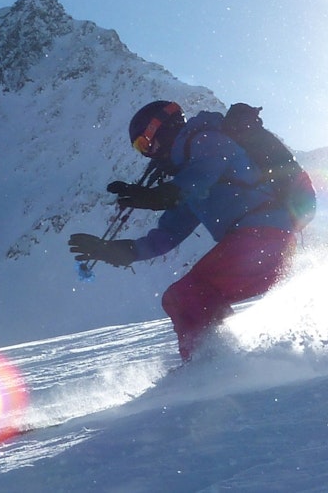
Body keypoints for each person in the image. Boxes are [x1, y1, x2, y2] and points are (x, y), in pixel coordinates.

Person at [67, 100, 310, 362]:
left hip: (264, 238)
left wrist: (153, 197)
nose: (148, 153)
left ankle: (210, 367)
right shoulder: (190, 176)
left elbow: (196, 179)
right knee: (199, 297)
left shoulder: (206, 139)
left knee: (185, 295)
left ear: (163, 127)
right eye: (141, 149)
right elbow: (166, 235)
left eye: (146, 143)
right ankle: (232, 361)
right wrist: (120, 251)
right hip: (264, 249)